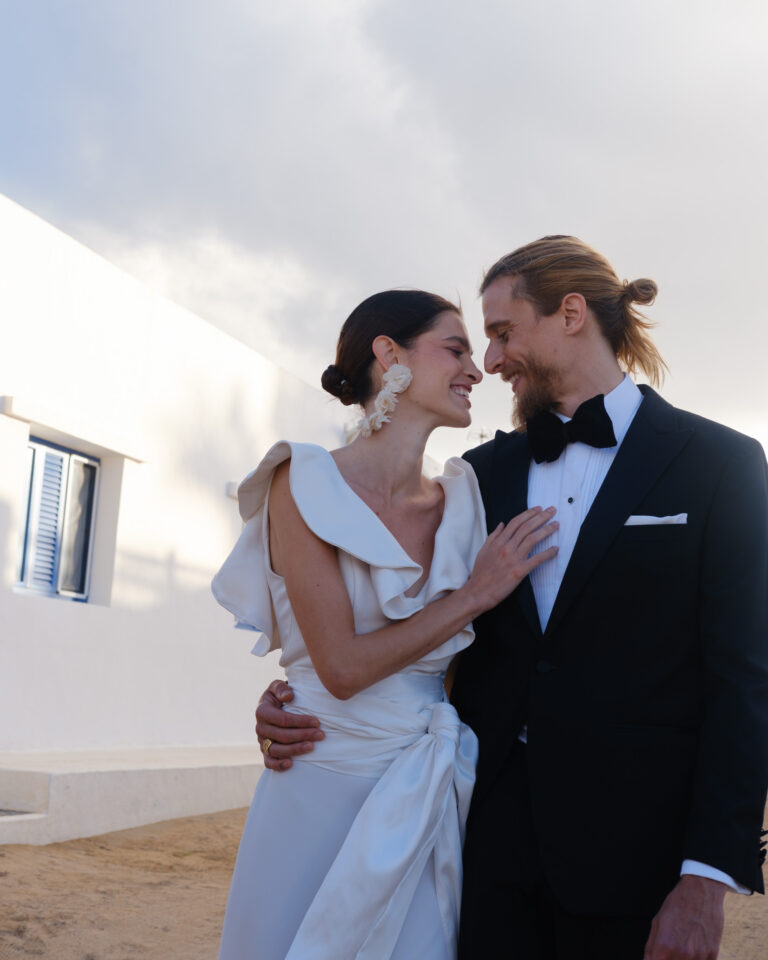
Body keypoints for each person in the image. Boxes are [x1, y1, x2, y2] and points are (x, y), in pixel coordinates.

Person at [256, 237, 768, 960]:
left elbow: (746, 681)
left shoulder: (723, 465)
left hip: (635, 861)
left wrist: (707, 877)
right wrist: (299, 698)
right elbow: (400, 619)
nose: (491, 362)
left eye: (501, 333)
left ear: (569, 314)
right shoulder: (475, 477)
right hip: (475, 846)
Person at [212, 289, 558, 960]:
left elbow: (473, 670)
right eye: (455, 349)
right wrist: (474, 594)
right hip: (316, 775)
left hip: (425, 786)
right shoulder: (300, 481)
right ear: (389, 354)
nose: (475, 370)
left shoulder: (468, 498)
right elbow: (339, 669)